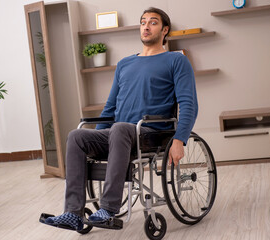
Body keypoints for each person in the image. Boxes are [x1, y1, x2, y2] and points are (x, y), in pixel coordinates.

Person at [41, 7, 198, 231]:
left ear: (165, 30)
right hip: (120, 134)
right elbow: (110, 106)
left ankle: (108, 209)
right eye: (143, 22)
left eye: (153, 22)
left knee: (121, 128)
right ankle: (72, 213)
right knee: (77, 136)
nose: (146, 26)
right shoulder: (125, 64)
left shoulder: (176, 60)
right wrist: (95, 137)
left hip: (151, 133)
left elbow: (189, 103)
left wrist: (179, 139)